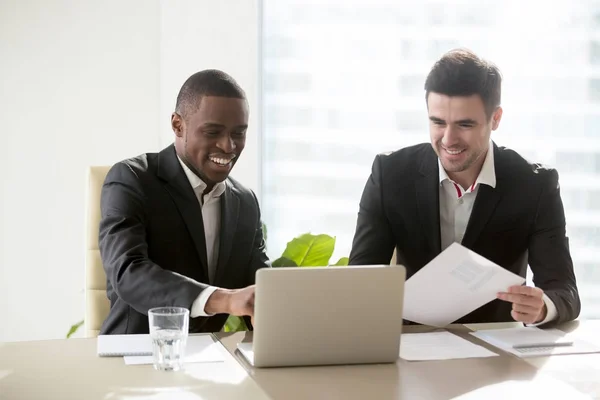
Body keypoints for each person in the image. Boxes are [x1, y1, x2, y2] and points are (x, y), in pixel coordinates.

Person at [349, 49, 580, 326]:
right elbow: (359, 280)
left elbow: (565, 291)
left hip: (497, 353)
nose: (448, 139)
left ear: (495, 119)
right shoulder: (390, 175)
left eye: (465, 124)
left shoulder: (535, 186)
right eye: (437, 122)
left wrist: (542, 307)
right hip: (412, 346)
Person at [99, 69, 269, 334]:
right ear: (178, 125)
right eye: (213, 132)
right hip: (136, 357)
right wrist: (224, 299)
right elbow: (128, 272)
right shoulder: (131, 180)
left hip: (212, 361)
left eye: (239, 133)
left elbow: (262, 290)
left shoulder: (245, 202)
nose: (228, 146)